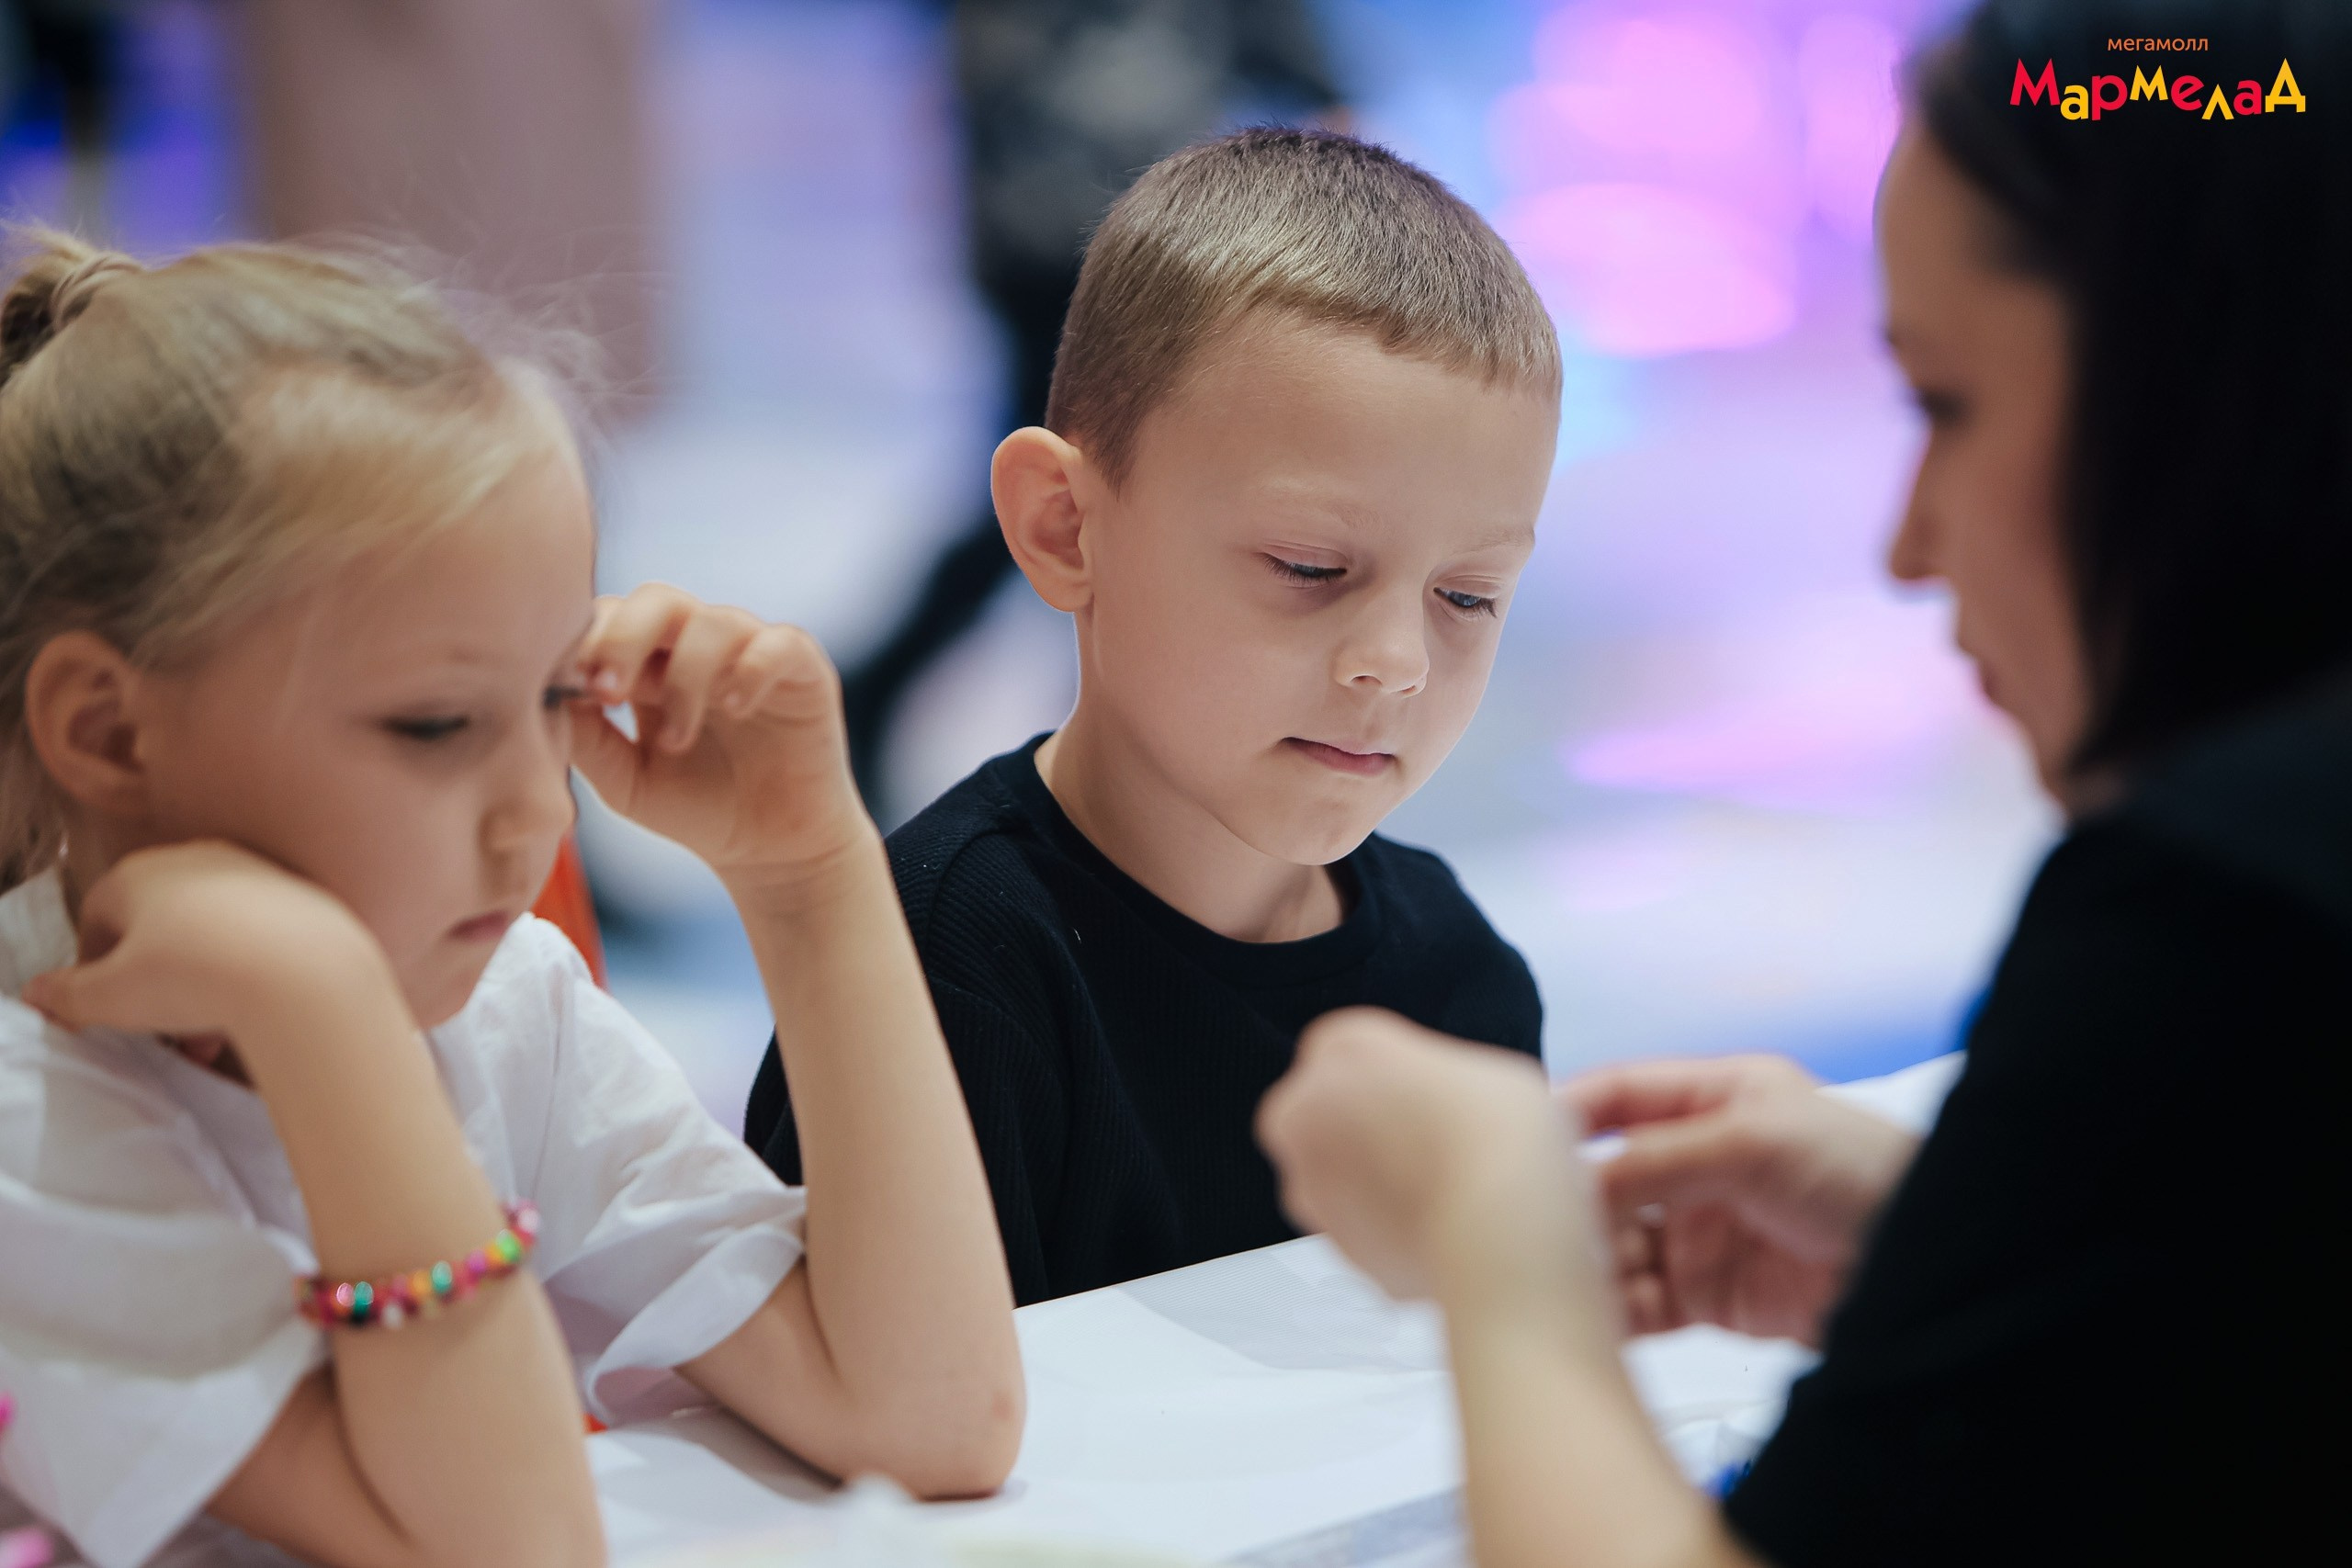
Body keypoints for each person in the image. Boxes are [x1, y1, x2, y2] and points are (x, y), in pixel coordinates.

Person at [1257, 2, 2351, 1563]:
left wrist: (1497, 1249)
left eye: (1947, 403)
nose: (1908, 544)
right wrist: (1973, 1242)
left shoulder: (2223, 911)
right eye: (1311, 569)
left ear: (2199, 381)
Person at [0, 231, 1021, 1568]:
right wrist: (327, 1020)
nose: (541, 811)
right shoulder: (28, 1105)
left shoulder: (501, 1006)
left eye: (554, 695)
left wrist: (809, 874)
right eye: (435, 723)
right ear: (109, 731)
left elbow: (937, 1417)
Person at [748, 130, 1558, 1304]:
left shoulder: (1459, 977)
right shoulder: (937, 969)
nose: (1395, 664)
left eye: (1468, 597)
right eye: (1307, 567)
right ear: (1065, 528)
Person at [842, 0, 1346, 803]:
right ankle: (1076, 751)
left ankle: (1090, 751)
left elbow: (1312, 83)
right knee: (1077, 496)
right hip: (1044, 242)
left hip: (1147, 252)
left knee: (1100, 499)